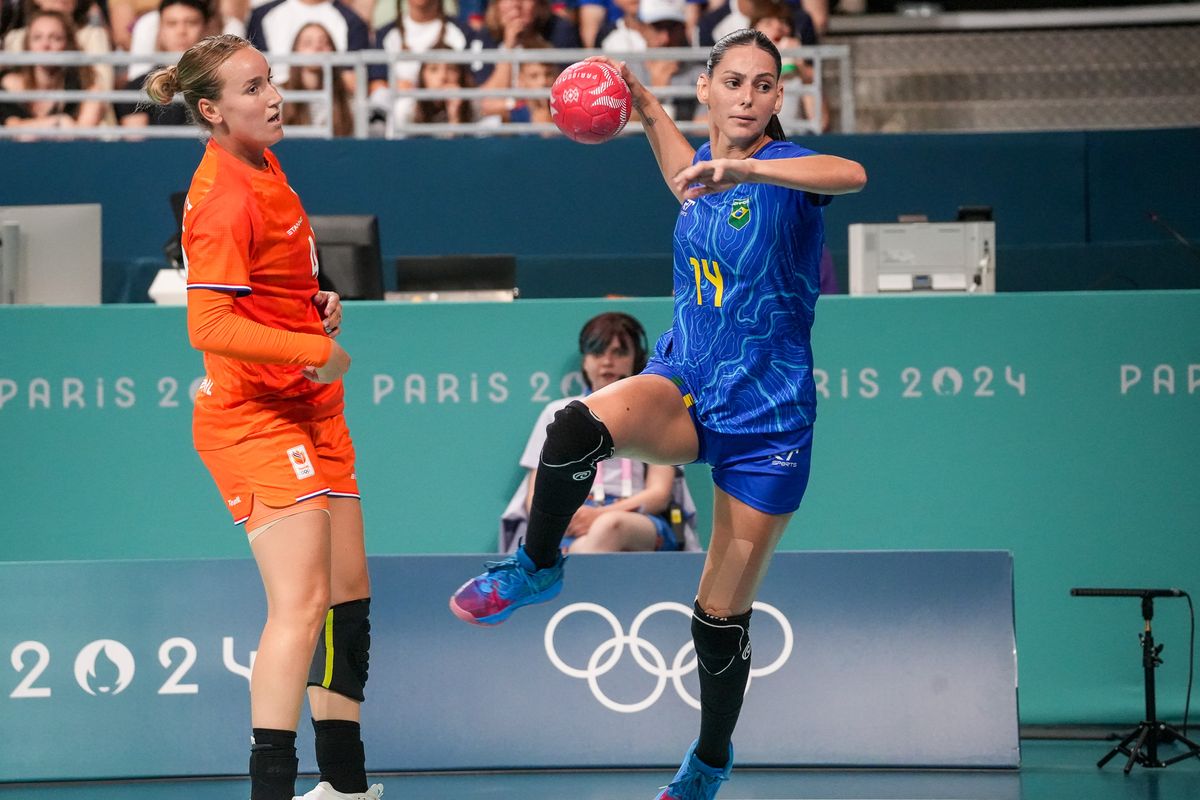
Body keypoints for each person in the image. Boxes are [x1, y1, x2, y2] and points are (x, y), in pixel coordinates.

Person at [449, 27, 866, 800]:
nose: (747, 97)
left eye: (763, 85)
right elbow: (688, 175)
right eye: (733, 82)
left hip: (768, 420)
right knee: (576, 425)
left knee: (716, 618)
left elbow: (853, 172)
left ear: (779, 96)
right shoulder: (707, 172)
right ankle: (536, 567)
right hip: (686, 380)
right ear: (705, 87)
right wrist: (643, 106)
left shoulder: (784, 167)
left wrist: (746, 166)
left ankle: (708, 760)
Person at [143, 34, 381, 800]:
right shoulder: (219, 196)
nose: (272, 97)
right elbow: (207, 326)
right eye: (251, 89)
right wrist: (309, 348)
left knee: (348, 600)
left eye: (270, 80)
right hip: (255, 417)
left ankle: (343, 787)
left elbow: (268, 283)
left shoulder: (266, 160)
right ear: (211, 110)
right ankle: (271, 790)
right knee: (303, 604)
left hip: (312, 408)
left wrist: (316, 299)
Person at [499, 312, 701, 555]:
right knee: (571, 542)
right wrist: (569, 518)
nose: (607, 361)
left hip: (635, 519)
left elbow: (659, 495)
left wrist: (600, 515)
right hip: (571, 520)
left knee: (610, 527)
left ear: (635, 359)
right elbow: (536, 497)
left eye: (619, 352)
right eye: (598, 352)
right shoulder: (557, 412)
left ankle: (561, 579)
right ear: (585, 362)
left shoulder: (652, 413)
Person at [0, 10, 108, 135]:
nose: (45, 45)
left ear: (68, 45)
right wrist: (57, 122)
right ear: (27, 45)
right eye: (37, 38)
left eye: (55, 38)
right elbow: (11, 128)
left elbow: (82, 138)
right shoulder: (7, 86)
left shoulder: (87, 88)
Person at [115, 0, 210, 128]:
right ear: (160, 30)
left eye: (191, 23)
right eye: (172, 24)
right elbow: (136, 145)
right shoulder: (137, 88)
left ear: (206, 29)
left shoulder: (221, 83)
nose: (181, 31)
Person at [279, 21, 354, 136]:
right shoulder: (278, 96)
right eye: (308, 43)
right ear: (296, 51)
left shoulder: (348, 100)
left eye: (324, 42)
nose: (317, 47)